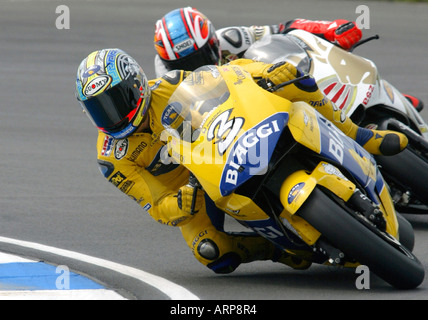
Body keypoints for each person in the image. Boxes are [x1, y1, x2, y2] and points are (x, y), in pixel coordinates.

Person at [75, 48, 407, 274]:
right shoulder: (111, 159)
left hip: (222, 148)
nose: (112, 115)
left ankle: (358, 133)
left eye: (115, 101)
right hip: (191, 189)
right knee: (211, 252)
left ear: (135, 84)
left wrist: (266, 73)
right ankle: (283, 250)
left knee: (291, 79)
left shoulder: (171, 85)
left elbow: (230, 75)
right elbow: (155, 205)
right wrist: (179, 204)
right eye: (98, 109)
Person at [153, 7, 424, 110]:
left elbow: (284, 28)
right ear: (170, 64)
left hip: (267, 85)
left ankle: (388, 96)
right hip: (233, 114)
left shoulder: (231, 38)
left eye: (199, 55)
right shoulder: (167, 80)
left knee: (307, 59)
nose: (195, 65)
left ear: (211, 41)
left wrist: (327, 28)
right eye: (185, 63)